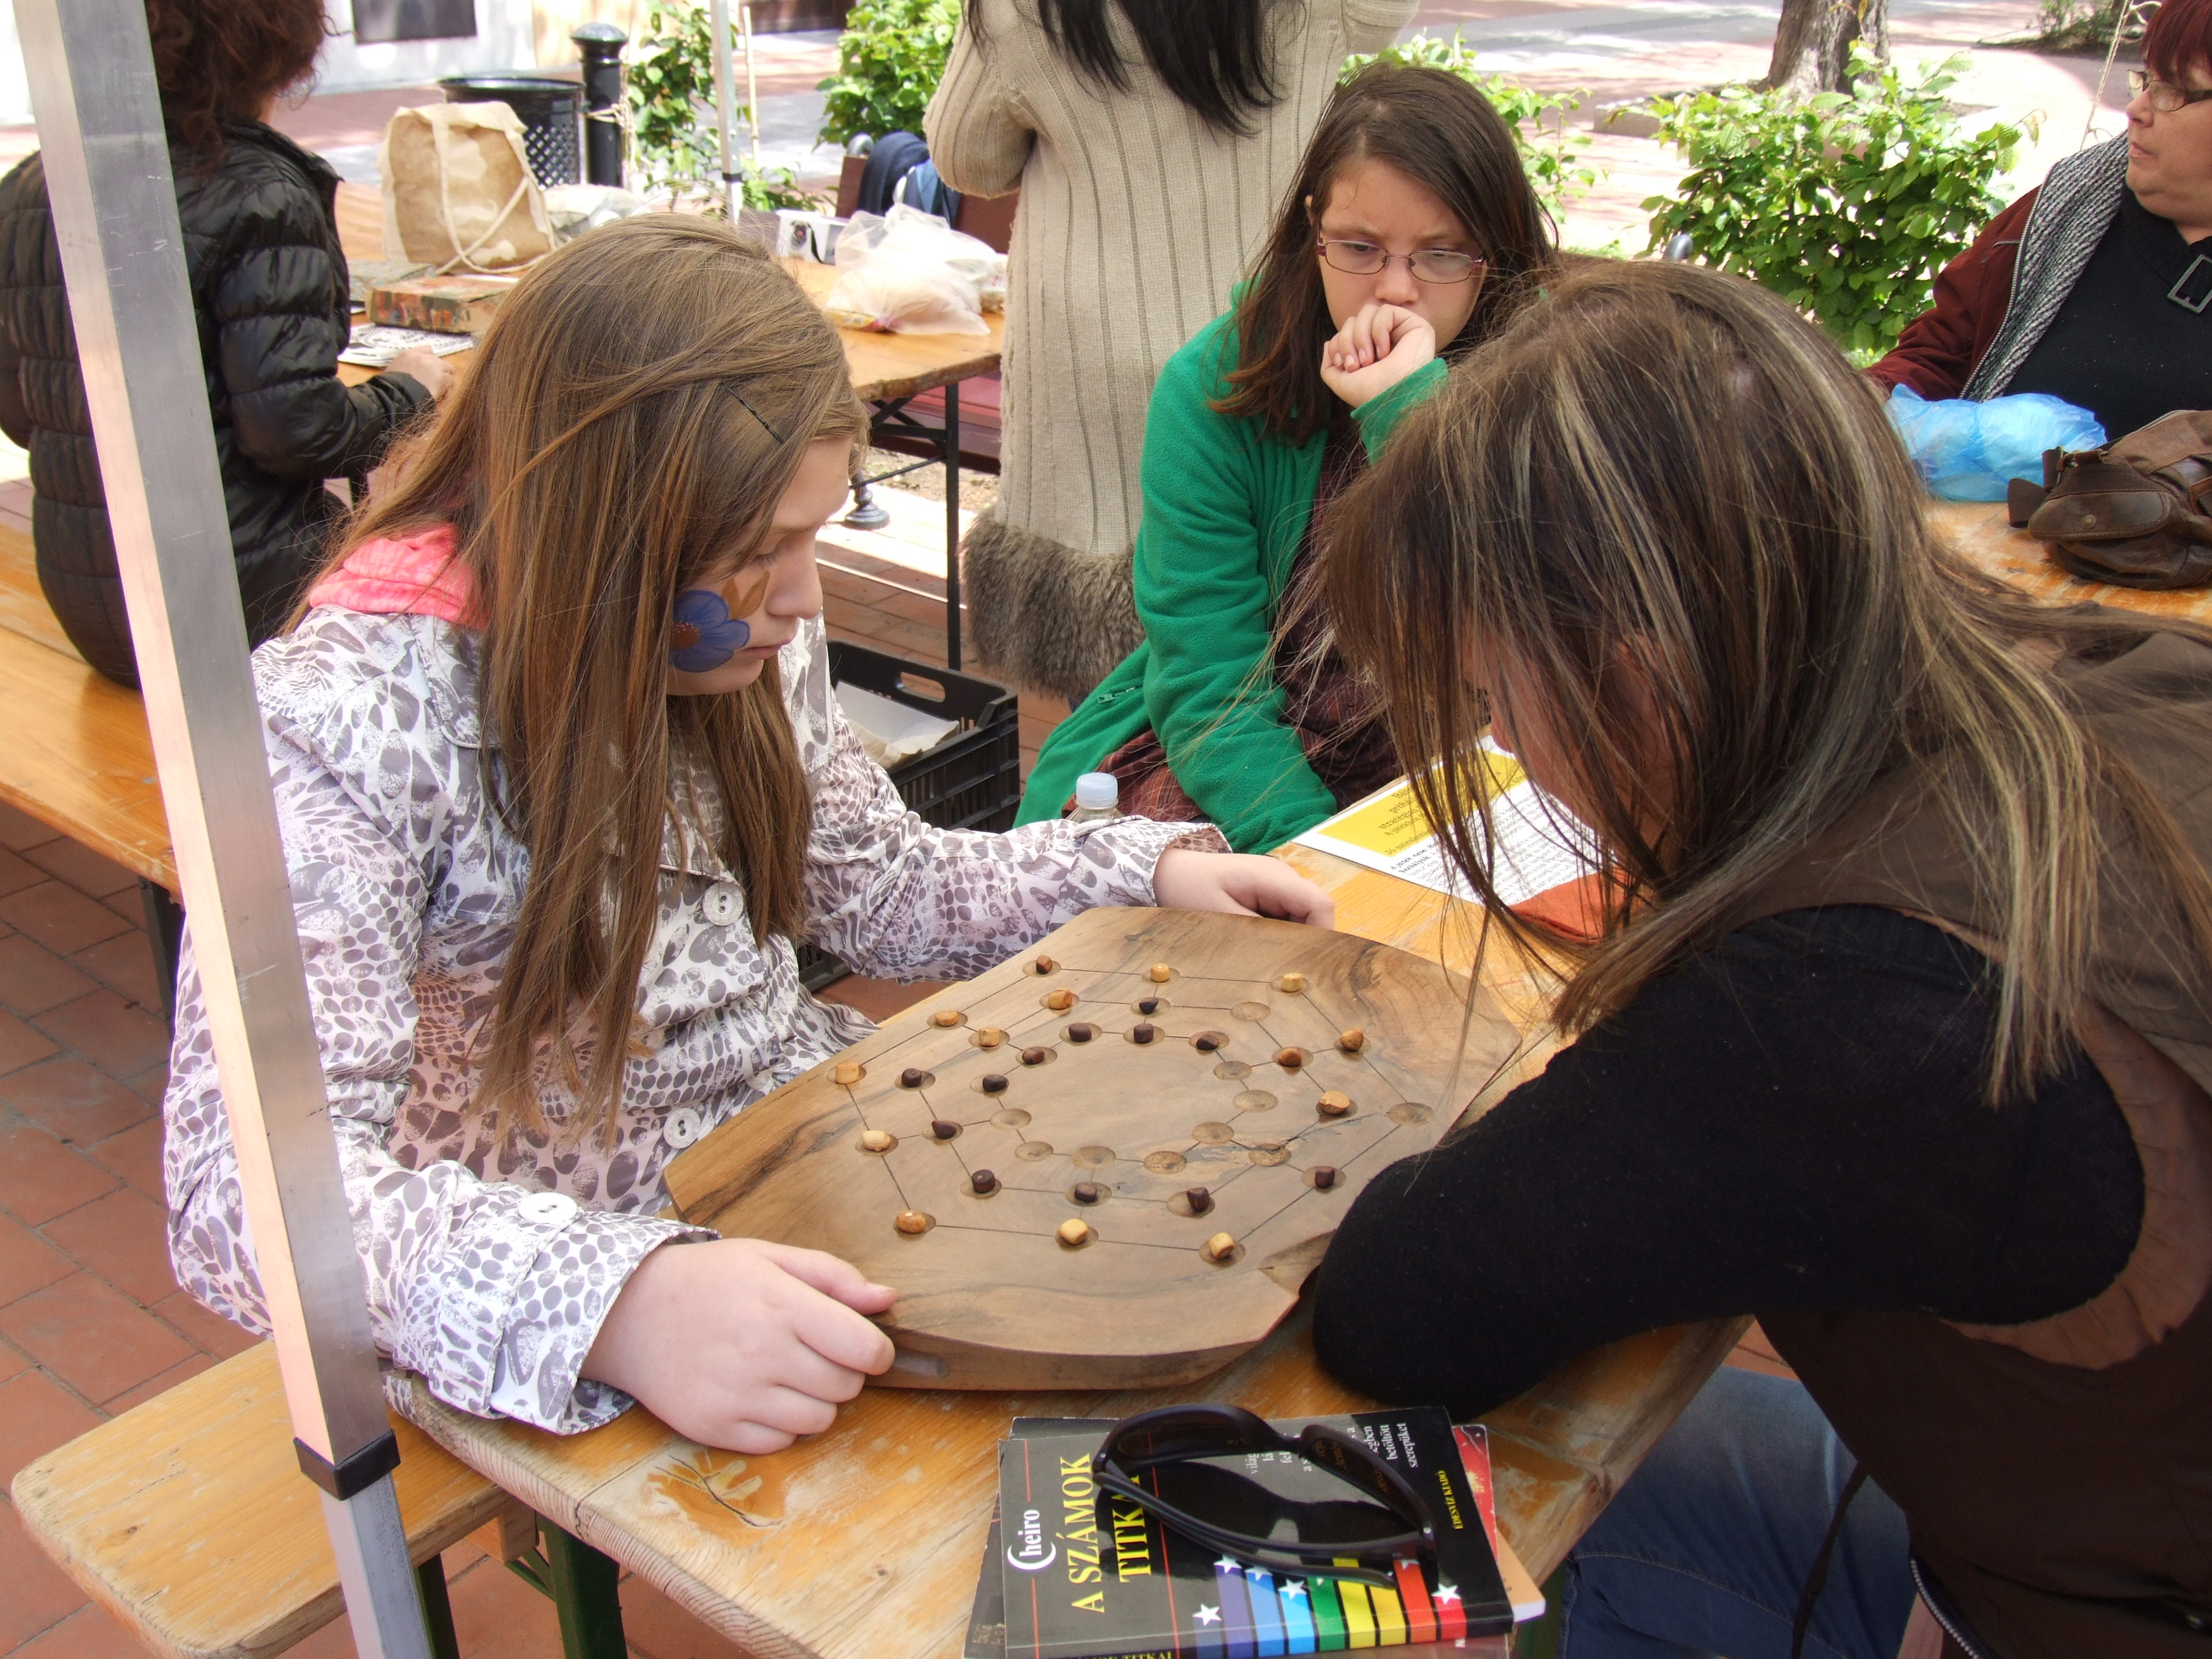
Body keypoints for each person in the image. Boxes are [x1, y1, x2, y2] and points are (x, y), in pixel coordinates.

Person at [160, 216, 1333, 1454]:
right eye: (760, 549)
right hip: (571, 1274)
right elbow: (238, 1191)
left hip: (798, 1153)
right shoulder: (342, 724)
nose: (805, 596)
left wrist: (1137, 866)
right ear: (605, 535)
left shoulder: (732, 623)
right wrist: (619, 1306)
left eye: (812, 534)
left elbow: (876, 886)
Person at [1306, 259, 2212, 1658]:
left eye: (1496, 695)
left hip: (2082, 1608)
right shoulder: (2124, 676)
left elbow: (1402, 1305)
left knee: (1456, 1496)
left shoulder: (1838, 1005)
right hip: (2091, 1526)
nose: (1507, 746)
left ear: (1637, 677)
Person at [1017, 63, 1556, 854]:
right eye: (1360, 247)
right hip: (1258, 749)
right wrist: (1312, 855)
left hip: (1476, 743)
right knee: (1164, 880)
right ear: (1313, 229)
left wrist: (1408, 414)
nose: (1395, 290)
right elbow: (1209, 687)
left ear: (1493, 253)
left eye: (1442, 255)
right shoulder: (1214, 387)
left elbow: (1527, 614)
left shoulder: (1542, 371)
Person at [925, 0, 1418, 702]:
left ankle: (1114, 769)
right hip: (1267, 343)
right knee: (1261, 629)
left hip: (1093, 355)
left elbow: (966, 155)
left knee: (1107, 676)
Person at [0, 0, 453, 689]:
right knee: (465, 559)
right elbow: (296, 432)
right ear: (278, 39)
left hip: (93, 605)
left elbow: (21, 411)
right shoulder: (261, 195)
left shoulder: (35, 185)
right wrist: (411, 389)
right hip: (236, 610)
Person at [1868, 0, 2212, 438]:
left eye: (2174, 90)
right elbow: (1942, 354)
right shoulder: (2064, 206)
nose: (2137, 109)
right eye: (2146, 80)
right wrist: (1860, 402)